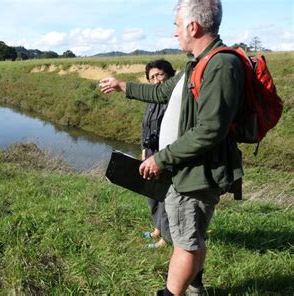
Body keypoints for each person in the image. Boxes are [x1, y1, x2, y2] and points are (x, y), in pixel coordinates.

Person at [99, 0, 244, 295]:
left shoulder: (221, 64)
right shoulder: (197, 63)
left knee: (185, 243)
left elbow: (210, 129)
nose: (175, 33)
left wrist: (161, 159)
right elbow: (163, 91)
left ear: (193, 26)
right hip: (188, 170)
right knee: (192, 237)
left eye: (177, 26)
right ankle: (195, 289)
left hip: (196, 174)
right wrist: (123, 86)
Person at [141, 60, 176, 249]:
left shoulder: (174, 100)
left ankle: (166, 238)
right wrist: (143, 150)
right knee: (151, 193)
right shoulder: (151, 100)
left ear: (170, 76)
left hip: (165, 155)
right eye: (152, 77)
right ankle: (157, 229)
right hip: (150, 152)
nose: (156, 80)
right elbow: (145, 126)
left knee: (164, 196)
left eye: (160, 75)